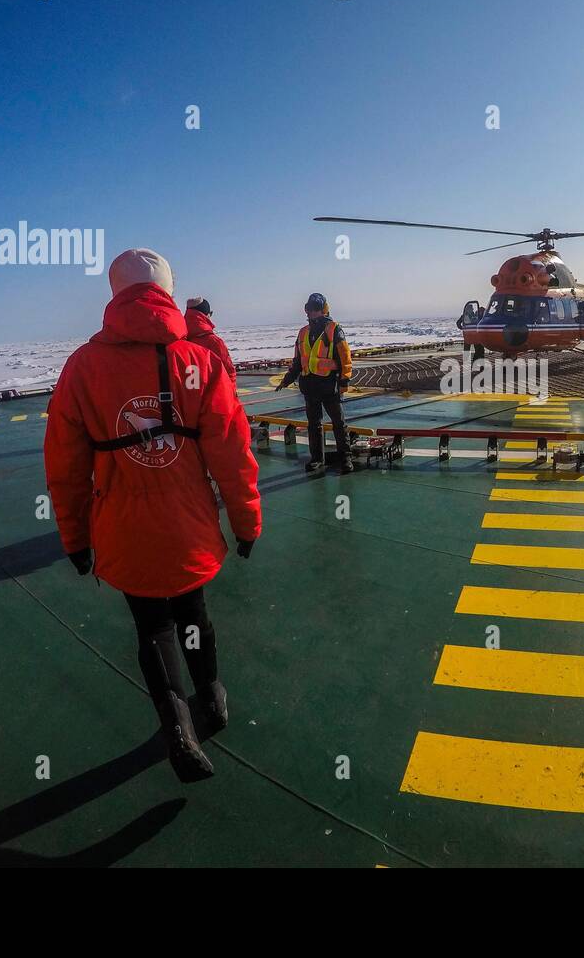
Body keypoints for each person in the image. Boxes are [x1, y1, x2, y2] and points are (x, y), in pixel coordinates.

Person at [43, 248, 262, 784]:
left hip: (123, 527)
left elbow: (65, 465)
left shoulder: (81, 367)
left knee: (152, 627)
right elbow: (232, 453)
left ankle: (179, 730)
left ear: (114, 293)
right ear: (166, 290)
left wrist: (75, 538)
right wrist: (246, 521)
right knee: (194, 616)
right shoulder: (201, 361)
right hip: (187, 524)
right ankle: (212, 698)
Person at [277, 292, 354, 474]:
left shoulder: (334, 329)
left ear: (321, 310)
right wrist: (287, 380)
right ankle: (317, 459)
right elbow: (298, 361)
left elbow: (345, 358)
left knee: (338, 423)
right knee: (314, 424)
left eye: (312, 310)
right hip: (310, 386)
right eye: (308, 309)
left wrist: (344, 382)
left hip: (329, 385)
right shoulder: (303, 332)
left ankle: (346, 458)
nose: (309, 313)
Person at [185, 297, 238, 385]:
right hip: (212, 395)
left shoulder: (179, 340)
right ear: (208, 314)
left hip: (187, 395)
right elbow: (229, 374)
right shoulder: (214, 342)